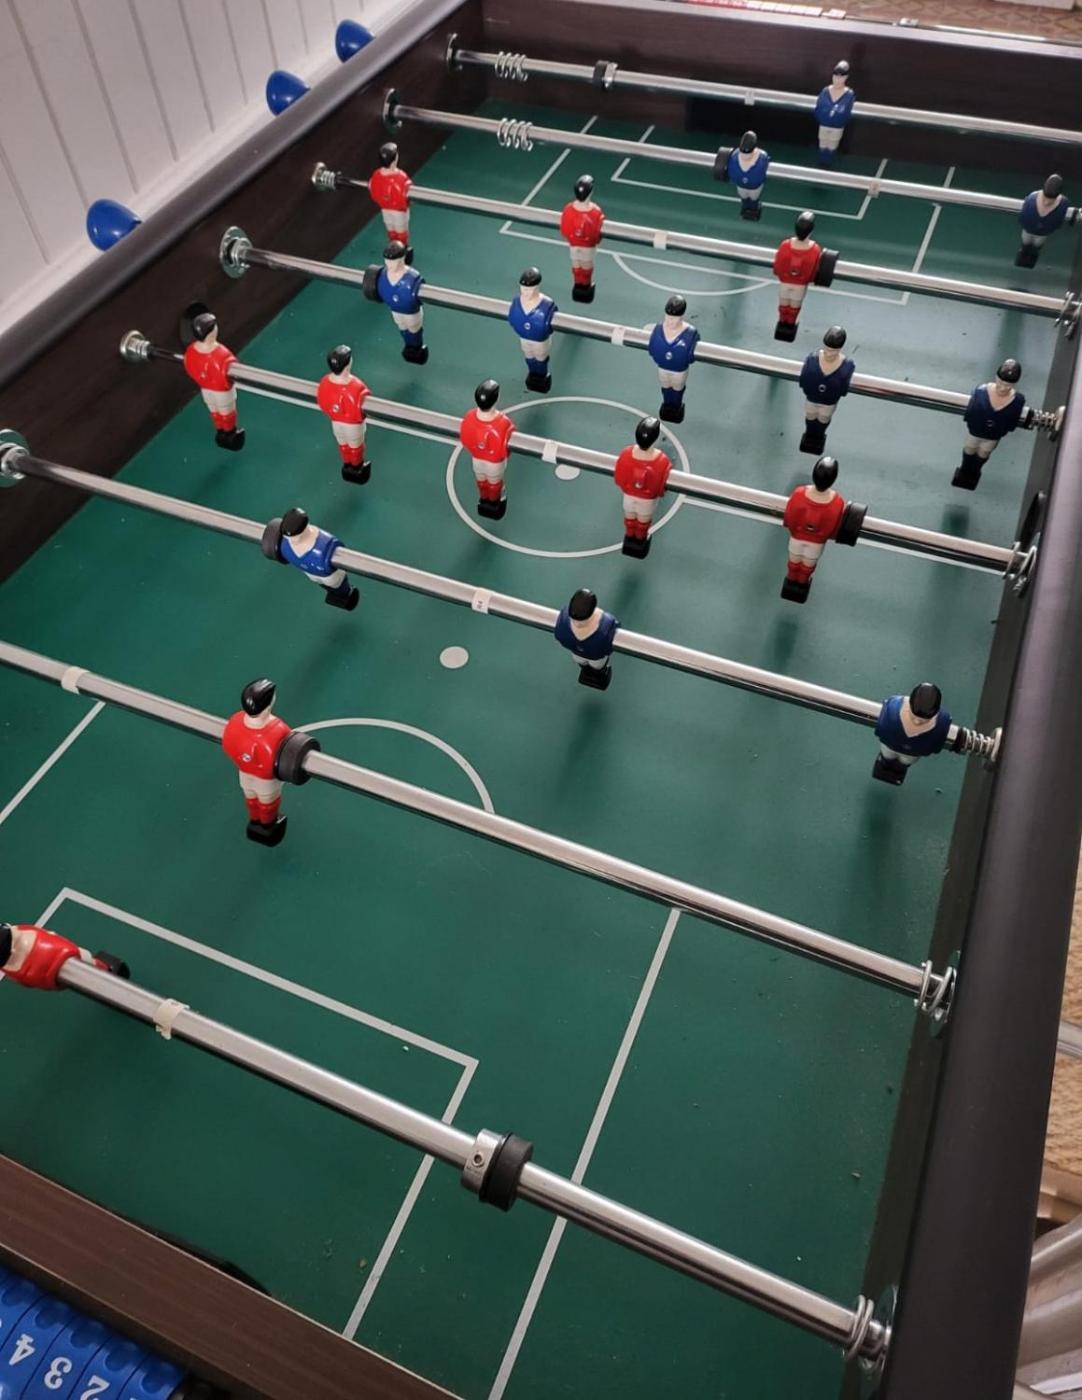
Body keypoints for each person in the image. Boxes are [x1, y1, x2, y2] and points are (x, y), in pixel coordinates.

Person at [221, 679, 297, 846]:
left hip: (244, 773)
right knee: (268, 803)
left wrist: (243, 762)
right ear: (268, 705)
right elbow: (291, 748)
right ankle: (268, 826)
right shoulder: (278, 729)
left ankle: (255, 821)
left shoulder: (235, 721)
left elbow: (227, 746)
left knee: (251, 798)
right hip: (266, 780)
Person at [781, 455, 847, 603]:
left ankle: (791, 580)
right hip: (816, 543)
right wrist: (821, 536)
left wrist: (795, 531)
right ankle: (802, 583)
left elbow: (790, 516)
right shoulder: (837, 502)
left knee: (794, 561)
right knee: (808, 565)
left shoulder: (799, 493)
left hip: (797, 537)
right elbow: (833, 526)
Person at [953, 359, 1026, 490]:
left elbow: (1012, 422)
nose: (1003, 388)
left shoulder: (1017, 400)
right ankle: (964, 469)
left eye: (1008, 385)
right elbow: (970, 413)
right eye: (1000, 383)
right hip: (976, 431)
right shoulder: (981, 391)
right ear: (996, 378)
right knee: (969, 448)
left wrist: (1002, 430)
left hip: (993, 436)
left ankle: (975, 471)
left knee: (984, 453)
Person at [274, 508, 359, 611]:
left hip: (323, 575)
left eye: (294, 536)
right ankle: (341, 594)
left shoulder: (286, 547)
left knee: (335, 584)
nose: (292, 540)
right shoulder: (287, 546)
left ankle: (343, 594)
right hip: (318, 575)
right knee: (332, 585)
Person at [183, 311, 244, 450]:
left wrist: (202, 379)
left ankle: (221, 431)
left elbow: (189, 368)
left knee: (214, 410)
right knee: (226, 411)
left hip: (206, 390)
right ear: (211, 333)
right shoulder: (220, 353)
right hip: (222, 392)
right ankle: (230, 432)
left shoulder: (191, 351)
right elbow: (232, 367)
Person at [0, 922, 126, 990]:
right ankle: (105, 970)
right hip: (61, 954)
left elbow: (25, 984)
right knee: (87, 960)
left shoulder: (12, 970)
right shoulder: (23, 931)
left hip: (44, 976)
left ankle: (101, 975)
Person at [614, 416, 672, 559]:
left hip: (628, 496)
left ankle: (629, 535)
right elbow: (660, 486)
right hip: (647, 500)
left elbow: (619, 478)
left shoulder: (626, 454)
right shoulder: (661, 460)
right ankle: (640, 539)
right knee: (643, 522)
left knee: (629, 519)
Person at [873, 683, 953, 785]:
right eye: (913, 716)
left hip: (911, 754)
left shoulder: (942, 722)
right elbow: (881, 729)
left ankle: (898, 771)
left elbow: (937, 745)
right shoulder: (893, 707)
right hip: (890, 747)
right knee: (887, 756)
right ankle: (884, 764)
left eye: (924, 720)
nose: (917, 722)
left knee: (904, 762)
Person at [459, 380, 515, 519]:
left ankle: (484, 499)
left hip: (477, 459)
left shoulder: (469, 417)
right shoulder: (503, 423)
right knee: (494, 483)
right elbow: (506, 448)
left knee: (481, 481)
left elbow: (465, 440)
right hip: (494, 463)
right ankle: (494, 502)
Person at [316, 344, 371, 483]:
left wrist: (333, 412)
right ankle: (357, 467)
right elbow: (362, 404)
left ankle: (347, 464)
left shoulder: (325, 381)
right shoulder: (356, 386)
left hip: (336, 423)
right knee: (356, 446)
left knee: (343, 444)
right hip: (352, 425)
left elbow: (322, 402)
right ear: (347, 365)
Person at [798, 326, 854, 454]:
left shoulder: (847, 365)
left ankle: (818, 436)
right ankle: (809, 434)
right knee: (810, 416)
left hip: (828, 402)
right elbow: (804, 379)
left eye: (833, 351)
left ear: (839, 349)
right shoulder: (812, 359)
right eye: (827, 349)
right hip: (812, 398)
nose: (829, 353)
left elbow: (844, 388)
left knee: (824, 418)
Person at [554, 589, 619, 690]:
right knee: (598, 666)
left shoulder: (563, 620)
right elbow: (608, 648)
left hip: (576, 655)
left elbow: (561, 639)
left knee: (582, 662)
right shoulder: (606, 624)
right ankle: (599, 673)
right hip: (596, 659)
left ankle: (586, 669)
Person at [648, 295, 700, 423]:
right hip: (663, 368)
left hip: (679, 371)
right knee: (665, 386)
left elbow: (691, 356)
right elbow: (652, 349)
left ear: (681, 317)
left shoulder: (690, 333)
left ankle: (676, 406)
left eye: (674, 318)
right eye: (668, 317)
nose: (670, 321)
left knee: (677, 388)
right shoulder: (658, 329)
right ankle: (667, 404)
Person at [773, 212, 822, 342]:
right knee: (794, 306)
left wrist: (782, 275)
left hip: (785, 282)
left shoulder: (785, 245)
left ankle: (782, 321)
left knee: (783, 304)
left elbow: (778, 264)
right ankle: (790, 323)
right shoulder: (815, 249)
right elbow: (814, 270)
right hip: (800, 285)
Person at [376, 242, 427, 363]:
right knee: (402, 326)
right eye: (387, 261)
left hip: (410, 312)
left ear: (401, 259)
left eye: (392, 261)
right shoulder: (383, 275)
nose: (389, 264)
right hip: (395, 310)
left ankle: (416, 347)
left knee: (413, 328)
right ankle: (408, 345)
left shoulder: (413, 277)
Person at [508, 267, 558, 392]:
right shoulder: (516, 302)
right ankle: (532, 373)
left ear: (536, 288)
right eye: (523, 288)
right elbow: (512, 318)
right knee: (528, 355)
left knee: (540, 356)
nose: (525, 292)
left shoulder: (547, 304)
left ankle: (541, 375)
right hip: (524, 338)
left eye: (529, 289)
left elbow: (550, 323)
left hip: (539, 341)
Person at [559, 174, 605, 302]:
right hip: (588, 246)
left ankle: (578, 283)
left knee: (576, 264)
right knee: (586, 265)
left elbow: (564, 229)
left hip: (574, 244)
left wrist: (572, 238)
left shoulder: (568, 209)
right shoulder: (595, 212)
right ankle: (585, 284)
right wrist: (594, 241)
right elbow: (597, 233)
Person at [1016, 174, 1069, 268]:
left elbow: (1059, 219)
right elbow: (1023, 214)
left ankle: (1033, 255)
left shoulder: (1063, 203)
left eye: (1051, 200)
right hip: (1029, 230)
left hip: (1042, 233)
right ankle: (1023, 253)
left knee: (1037, 245)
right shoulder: (1032, 197)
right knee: (1026, 242)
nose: (1047, 202)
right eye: (1045, 198)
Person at [368, 141, 412, 252]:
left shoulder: (376, 175)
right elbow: (406, 193)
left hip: (385, 210)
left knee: (391, 230)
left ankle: (393, 248)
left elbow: (373, 192)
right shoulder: (401, 177)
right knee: (401, 232)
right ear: (395, 160)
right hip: (399, 212)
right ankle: (402, 251)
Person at [722, 131, 771, 220]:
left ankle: (753, 209)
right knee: (744, 196)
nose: (745, 156)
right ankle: (746, 208)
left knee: (753, 197)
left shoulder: (762, 157)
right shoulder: (735, 155)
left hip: (753, 186)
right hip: (743, 184)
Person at [814, 61, 855, 166]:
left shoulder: (849, 94)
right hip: (824, 123)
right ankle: (822, 162)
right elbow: (819, 106)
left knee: (832, 143)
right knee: (823, 142)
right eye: (835, 76)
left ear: (846, 78)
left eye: (841, 77)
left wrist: (840, 120)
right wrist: (822, 117)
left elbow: (847, 111)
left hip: (837, 125)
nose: (837, 79)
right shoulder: (825, 91)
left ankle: (827, 163)